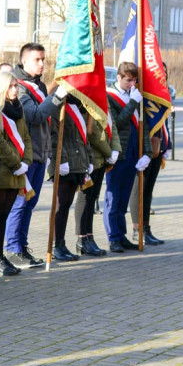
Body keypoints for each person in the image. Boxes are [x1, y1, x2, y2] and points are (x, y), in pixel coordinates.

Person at [4, 43, 64, 267]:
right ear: (24, 61)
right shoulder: (18, 86)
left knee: (30, 204)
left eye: (43, 59)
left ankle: (22, 245)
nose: (41, 64)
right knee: (19, 204)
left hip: (40, 154)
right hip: (24, 157)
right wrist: (57, 96)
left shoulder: (37, 86)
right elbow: (36, 115)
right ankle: (12, 248)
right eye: (37, 60)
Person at [104, 62, 152, 252]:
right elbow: (117, 123)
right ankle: (113, 237)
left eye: (134, 80)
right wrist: (132, 102)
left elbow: (144, 126)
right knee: (113, 198)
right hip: (118, 152)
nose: (132, 84)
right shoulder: (110, 96)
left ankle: (121, 235)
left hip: (133, 151)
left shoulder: (135, 97)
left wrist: (147, 153)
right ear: (119, 77)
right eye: (128, 80)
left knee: (124, 198)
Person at [0, 71, 31, 275]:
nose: (15, 90)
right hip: (3, 170)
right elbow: (0, 141)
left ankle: (0, 256)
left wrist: (27, 161)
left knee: (4, 216)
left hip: (17, 171)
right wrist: (16, 163)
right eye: (11, 86)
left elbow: (26, 138)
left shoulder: (18, 109)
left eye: (16, 86)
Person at [48, 95, 91, 262]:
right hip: (65, 162)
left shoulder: (77, 106)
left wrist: (89, 158)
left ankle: (61, 243)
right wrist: (61, 159)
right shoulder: (59, 105)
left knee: (66, 204)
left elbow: (82, 137)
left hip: (78, 161)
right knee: (60, 204)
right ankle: (55, 245)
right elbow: (54, 136)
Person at [74, 106, 119, 256]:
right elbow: (91, 131)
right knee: (85, 197)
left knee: (93, 198)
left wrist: (115, 149)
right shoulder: (88, 96)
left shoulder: (103, 95)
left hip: (102, 158)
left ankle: (89, 236)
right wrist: (108, 151)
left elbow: (112, 126)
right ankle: (82, 239)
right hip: (91, 156)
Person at [130, 117, 169, 246]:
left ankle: (146, 227)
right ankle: (138, 228)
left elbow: (163, 118)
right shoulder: (141, 96)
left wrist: (168, 145)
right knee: (139, 189)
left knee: (148, 191)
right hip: (142, 145)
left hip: (158, 143)